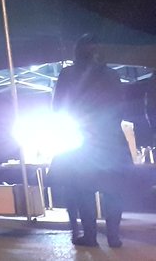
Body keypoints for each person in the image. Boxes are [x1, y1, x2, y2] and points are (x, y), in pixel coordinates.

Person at [53, 35, 128, 248]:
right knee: (113, 190)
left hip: (82, 138)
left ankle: (90, 236)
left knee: (83, 189)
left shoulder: (68, 74)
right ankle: (113, 237)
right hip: (111, 139)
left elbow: (58, 107)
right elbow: (121, 106)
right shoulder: (112, 74)